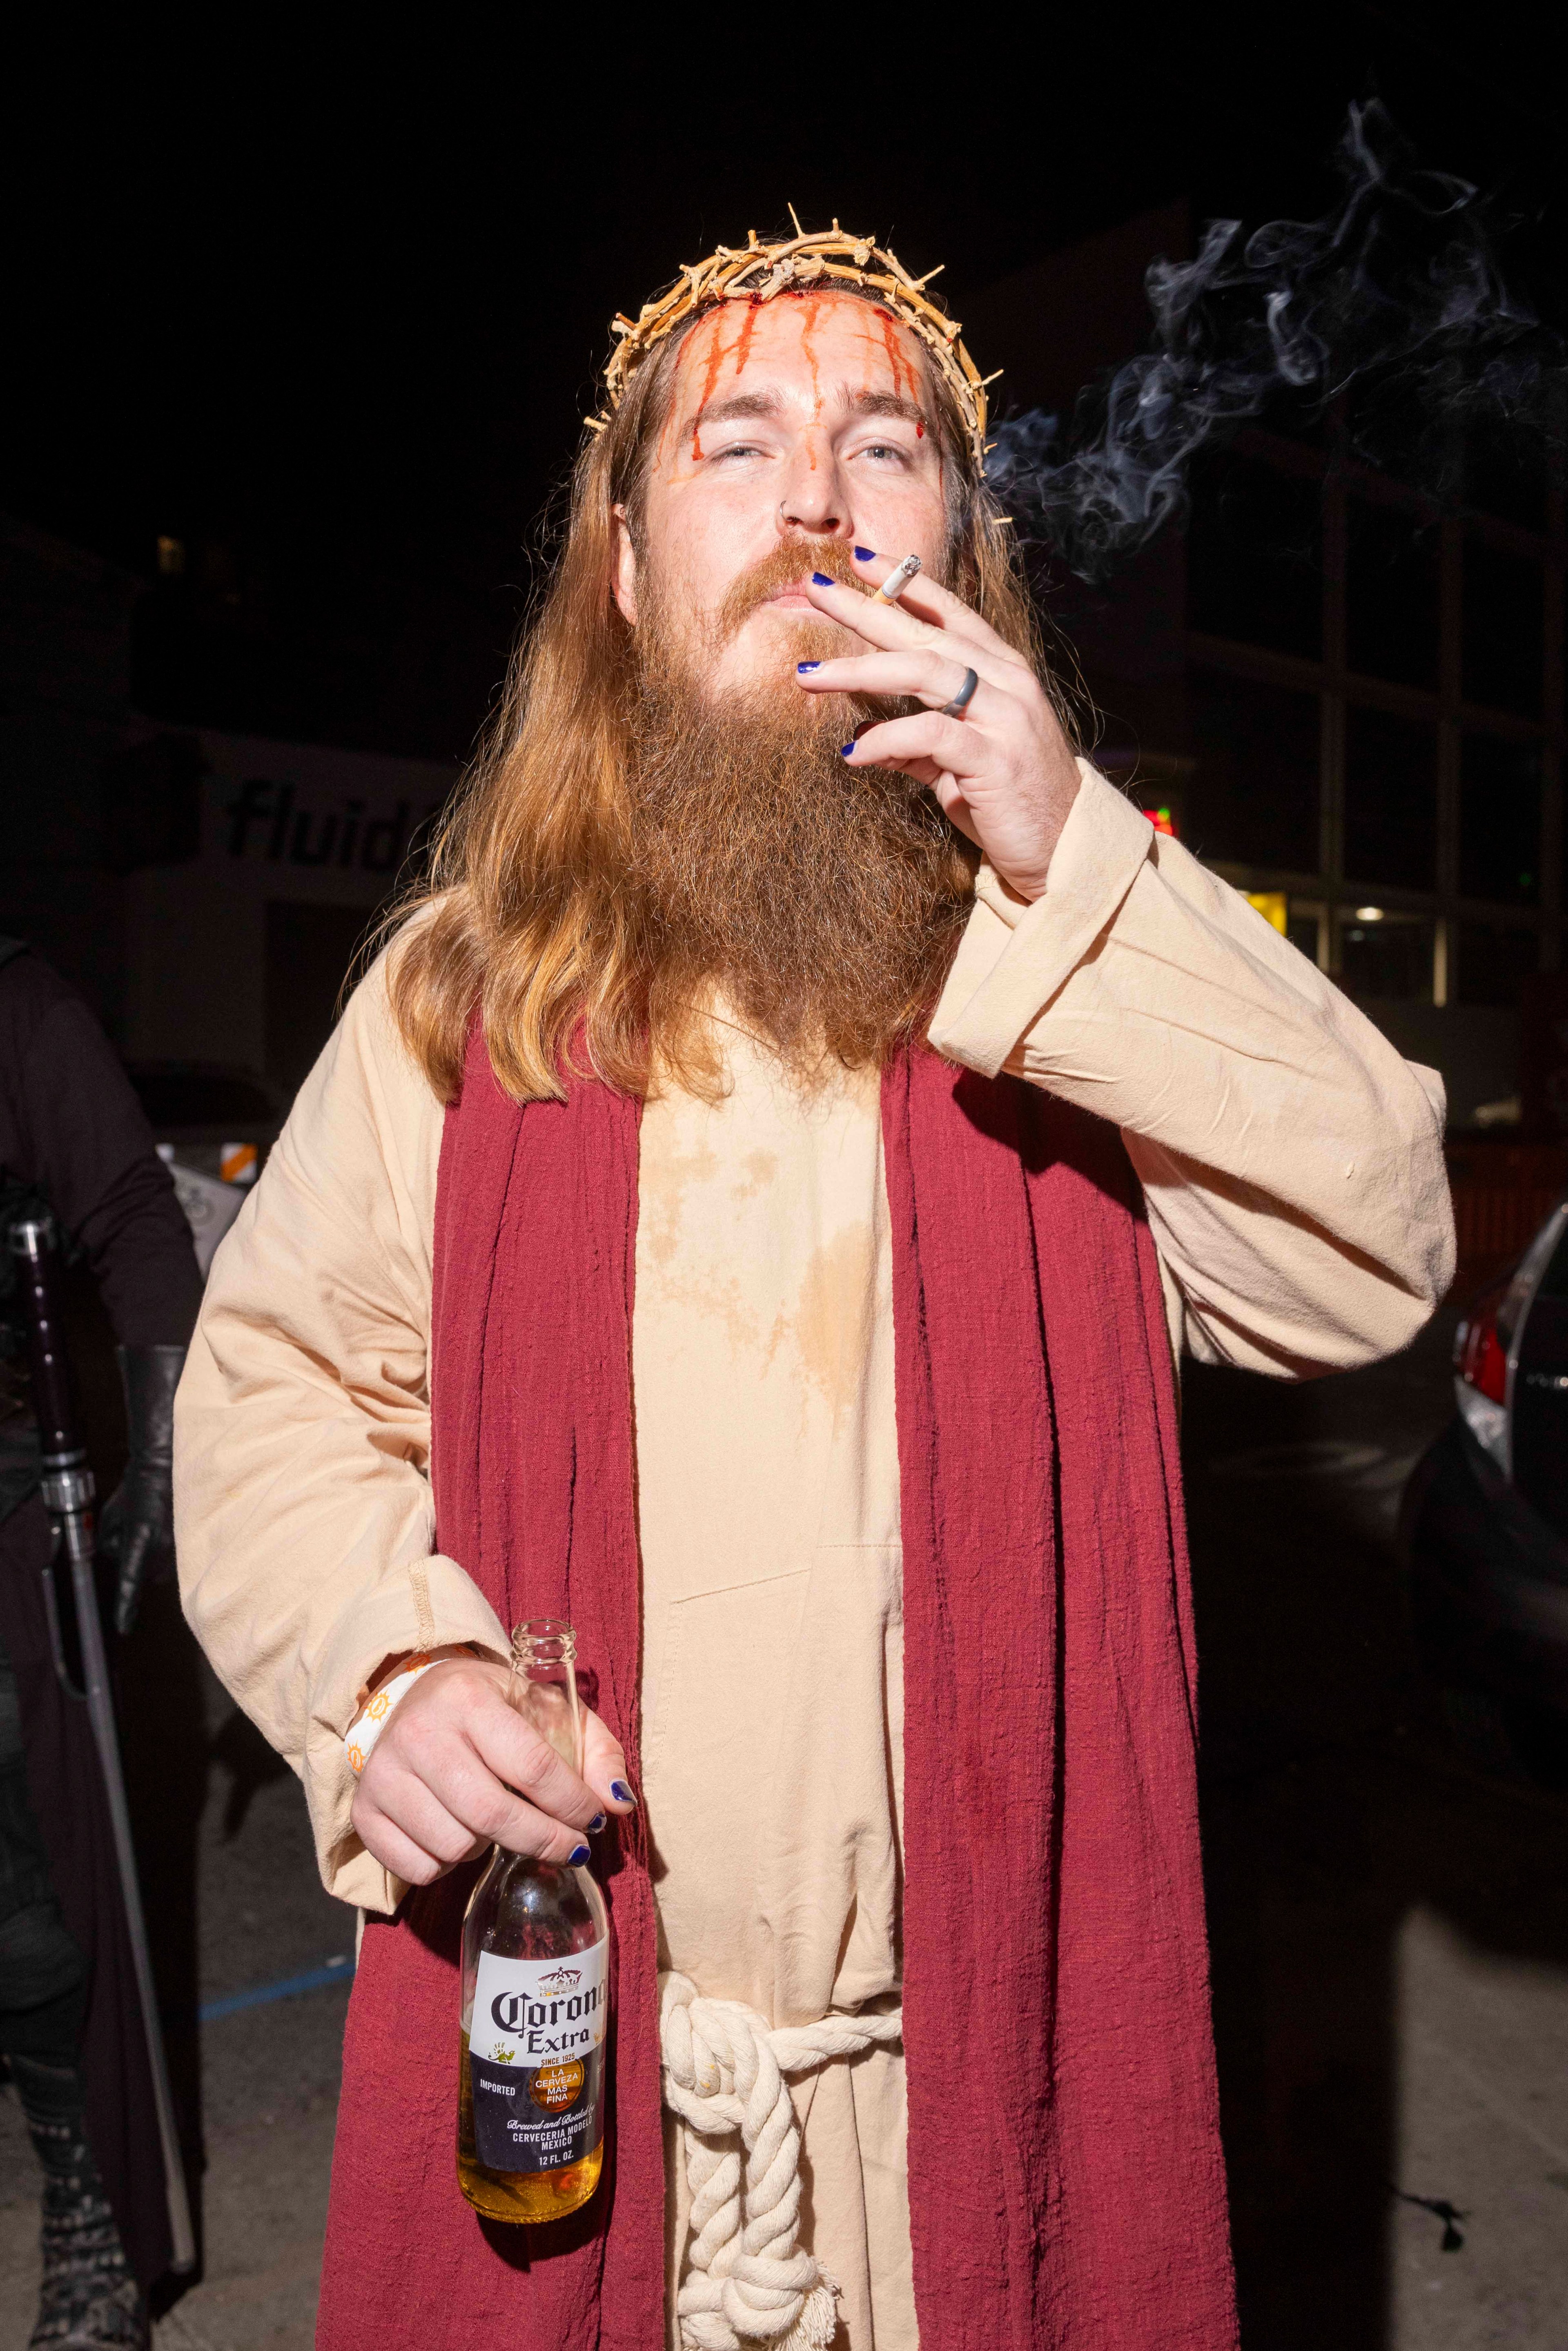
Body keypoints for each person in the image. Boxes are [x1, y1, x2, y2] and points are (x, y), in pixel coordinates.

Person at [174, 225, 1454, 2351]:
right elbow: (280, 1393)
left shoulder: (1066, 989)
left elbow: (1376, 1245)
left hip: (973, 2116)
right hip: (585, 2083)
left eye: (885, 449)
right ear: (619, 569)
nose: (814, 501)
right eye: (736, 442)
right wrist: (385, 1680)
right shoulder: (465, 995)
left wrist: (1084, 871)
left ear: (959, 549)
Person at [0, 937, 201, 2351]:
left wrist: (166, 1482)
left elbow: (138, 1222)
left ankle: (91, 2209)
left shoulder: (20, 1004)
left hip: (11, 1493)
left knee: (27, 1886)